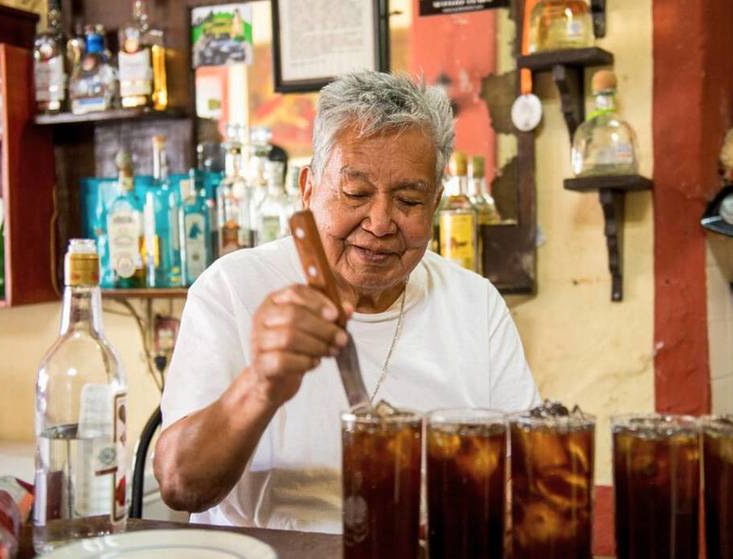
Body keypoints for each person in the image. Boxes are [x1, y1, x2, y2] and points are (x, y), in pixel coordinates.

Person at [153, 71, 539, 532]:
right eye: (355, 193)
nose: (379, 222)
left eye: (408, 201)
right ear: (309, 188)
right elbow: (180, 486)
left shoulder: (476, 305)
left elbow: (527, 475)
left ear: (435, 203)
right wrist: (260, 385)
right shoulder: (234, 288)